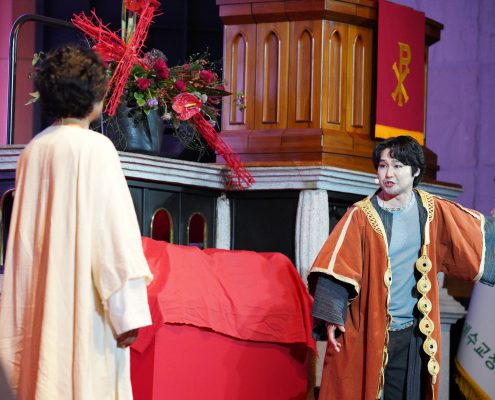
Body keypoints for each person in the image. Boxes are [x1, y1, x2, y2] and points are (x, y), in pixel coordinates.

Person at [0, 45, 153, 399]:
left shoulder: (34, 150)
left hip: (40, 301)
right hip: (83, 306)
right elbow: (114, 235)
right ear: (95, 96)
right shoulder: (96, 149)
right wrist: (126, 311)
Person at [308, 136, 495, 400]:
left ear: (415, 171)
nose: (388, 174)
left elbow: (472, 235)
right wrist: (332, 315)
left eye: (397, 166)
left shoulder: (432, 210)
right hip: (369, 330)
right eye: (383, 166)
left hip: (415, 332)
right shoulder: (360, 216)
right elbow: (337, 264)